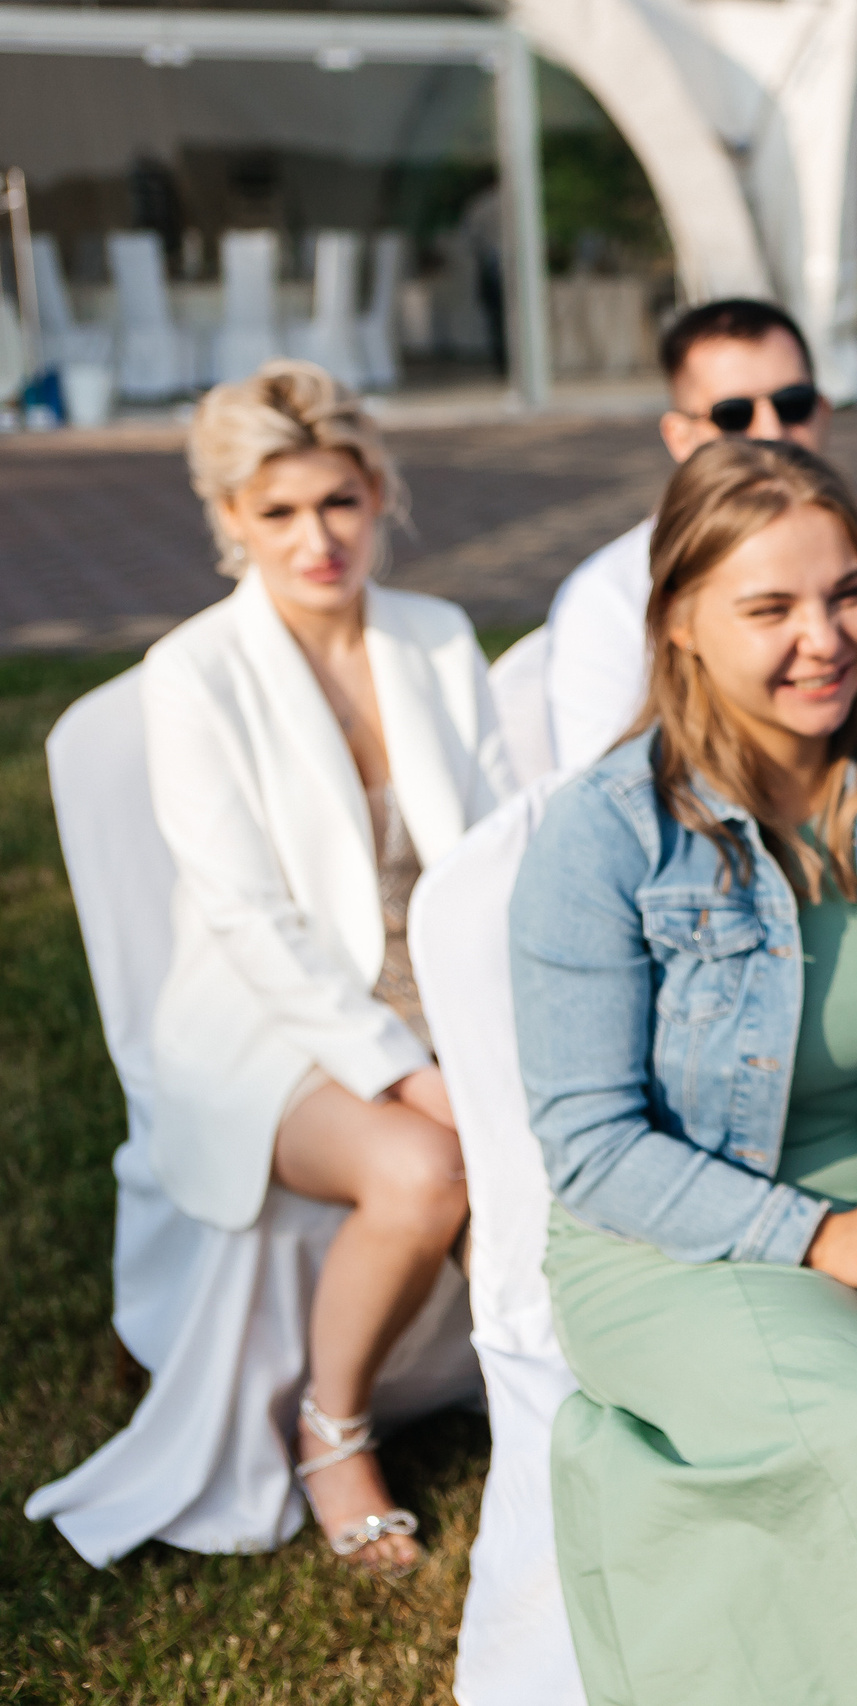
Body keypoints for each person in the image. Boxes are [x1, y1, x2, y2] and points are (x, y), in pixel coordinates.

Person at [509, 438, 857, 1703]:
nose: (823, 636)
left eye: (847, 593)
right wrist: (826, 1238)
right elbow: (594, 1145)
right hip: (667, 1237)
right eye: (768, 607)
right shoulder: (603, 832)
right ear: (681, 624)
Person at [140, 360, 510, 1570]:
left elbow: (503, 844)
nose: (316, 539)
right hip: (273, 1024)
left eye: (339, 503)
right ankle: (331, 1424)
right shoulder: (195, 672)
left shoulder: (437, 638)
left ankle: (546, 1403)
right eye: (279, 511)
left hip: (446, 992)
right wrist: (410, 1071)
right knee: (427, 1169)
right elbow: (251, 920)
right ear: (231, 519)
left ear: (379, 495)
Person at [543, 297, 857, 772]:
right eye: (734, 414)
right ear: (680, 436)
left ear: (822, 412)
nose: (770, 431)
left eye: (792, 405)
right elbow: (602, 792)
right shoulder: (607, 595)